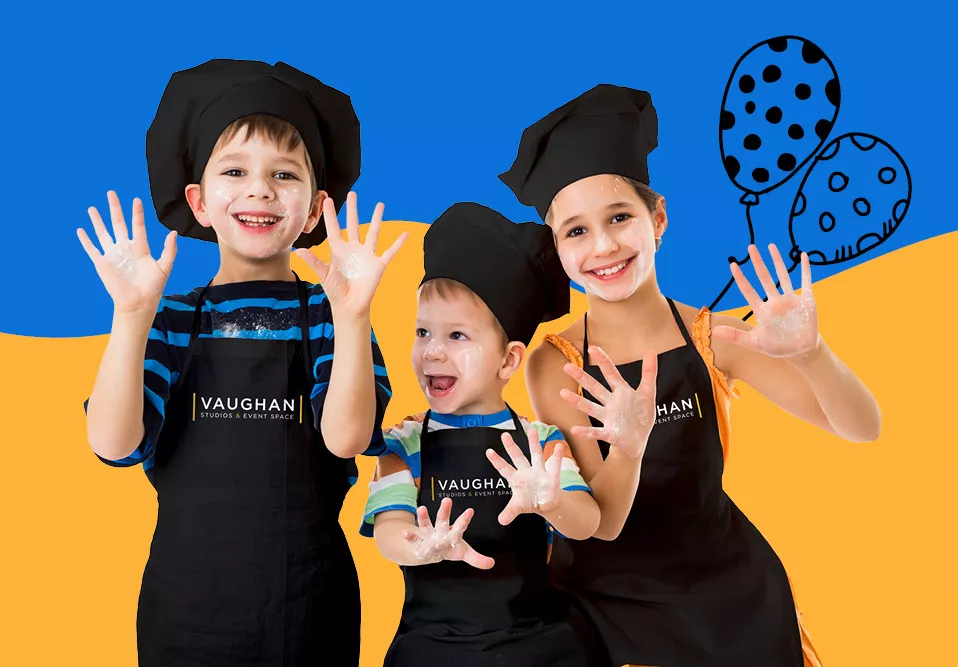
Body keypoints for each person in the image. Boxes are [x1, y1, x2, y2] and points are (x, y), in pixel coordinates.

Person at [499, 84, 881, 667]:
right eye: (575, 230)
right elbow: (599, 522)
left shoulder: (714, 337)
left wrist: (811, 354)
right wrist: (630, 440)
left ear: (658, 219)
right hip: (606, 610)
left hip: (732, 604)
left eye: (620, 217)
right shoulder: (556, 361)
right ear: (557, 249)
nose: (602, 246)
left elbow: (862, 428)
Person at [78, 59, 405, 667]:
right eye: (235, 171)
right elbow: (112, 444)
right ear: (198, 202)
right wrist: (131, 316)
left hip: (310, 608)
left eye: (284, 174)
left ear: (314, 211)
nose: (260, 189)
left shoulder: (331, 316)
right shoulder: (168, 319)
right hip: (186, 613)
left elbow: (346, 439)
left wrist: (355, 317)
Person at [362, 203, 606, 666]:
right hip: (434, 645)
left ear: (509, 360)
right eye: (422, 332)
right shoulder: (403, 444)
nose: (432, 351)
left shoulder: (542, 441)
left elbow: (587, 523)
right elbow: (389, 529)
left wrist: (552, 501)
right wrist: (422, 546)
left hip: (539, 642)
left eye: (457, 336)